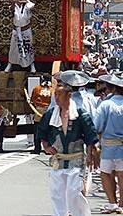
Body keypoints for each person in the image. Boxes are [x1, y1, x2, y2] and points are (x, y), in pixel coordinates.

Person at [37, 83, 99, 216]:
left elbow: (90, 135)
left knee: (74, 192)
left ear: (69, 96)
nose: (56, 97)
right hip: (58, 159)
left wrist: (89, 155)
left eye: (59, 94)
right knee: (57, 192)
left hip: (76, 158)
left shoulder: (80, 114)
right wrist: (46, 146)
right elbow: (41, 131)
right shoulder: (50, 114)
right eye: (55, 94)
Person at [93, 75, 123, 214]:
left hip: (109, 146)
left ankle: (112, 202)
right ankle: (122, 204)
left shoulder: (105, 104)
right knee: (122, 175)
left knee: (105, 174)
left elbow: (97, 126)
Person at [5, 0, 36, 73]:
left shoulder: (27, 6)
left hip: (26, 30)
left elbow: (32, 6)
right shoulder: (13, 6)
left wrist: (26, 0)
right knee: (13, 48)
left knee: (28, 47)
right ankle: (10, 64)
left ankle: (32, 65)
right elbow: (11, 9)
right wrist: (13, 2)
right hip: (16, 30)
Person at [30, 74, 54, 154]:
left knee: (37, 129)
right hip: (49, 111)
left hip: (39, 111)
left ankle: (37, 148)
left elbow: (32, 99)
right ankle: (49, 148)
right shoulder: (53, 90)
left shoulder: (37, 88)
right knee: (49, 130)